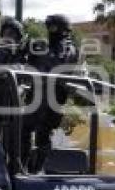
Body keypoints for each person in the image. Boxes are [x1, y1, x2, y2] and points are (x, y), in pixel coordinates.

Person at [25, 14, 79, 173]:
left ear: (62, 29)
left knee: (40, 134)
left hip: (51, 102)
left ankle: (35, 169)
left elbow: (58, 64)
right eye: (49, 27)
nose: (50, 31)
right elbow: (31, 65)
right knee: (22, 130)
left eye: (53, 28)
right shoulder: (47, 48)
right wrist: (29, 53)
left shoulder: (68, 47)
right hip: (37, 98)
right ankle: (24, 167)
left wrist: (40, 52)